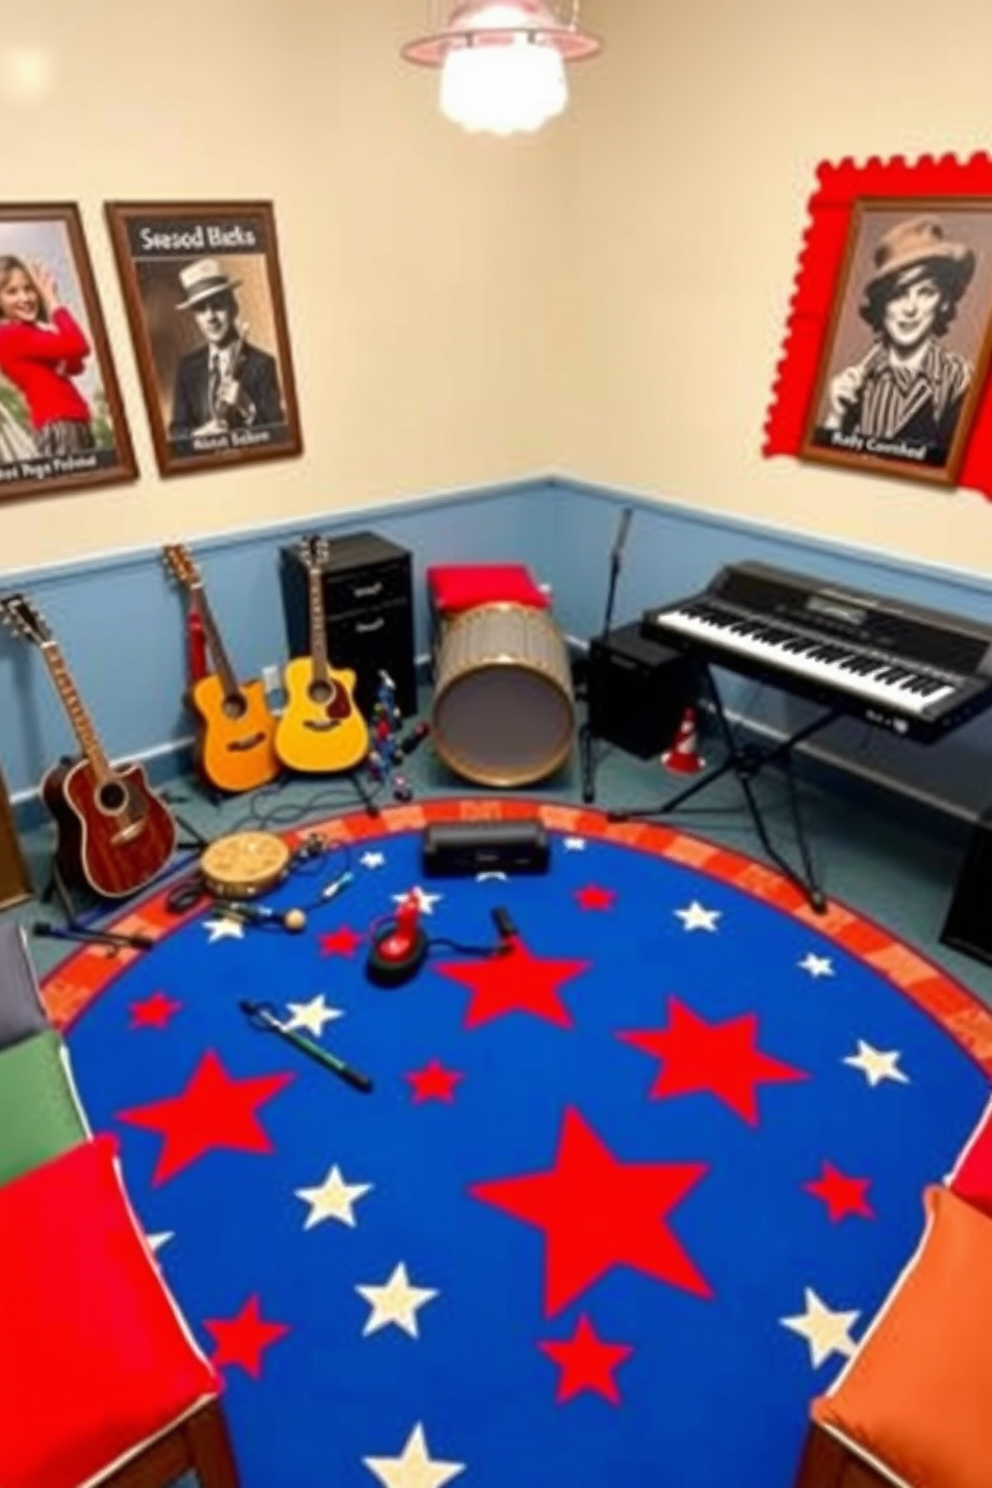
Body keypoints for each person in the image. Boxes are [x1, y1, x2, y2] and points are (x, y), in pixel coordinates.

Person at [817, 216, 977, 465]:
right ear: (883, 303)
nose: (910, 309)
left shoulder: (962, 380)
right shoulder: (854, 383)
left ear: (944, 302)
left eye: (926, 292)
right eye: (899, 293)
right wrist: (836, 417)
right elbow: (823, 472)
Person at [167, 258, 285, 442]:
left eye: (217, 305)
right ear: (195, 318)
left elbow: (279, 435)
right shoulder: (187, 368)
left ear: (234, 308)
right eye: (201, 310)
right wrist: (199, 436)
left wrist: (247, 406)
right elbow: (176, 431)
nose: (210, 317)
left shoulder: (262, 364)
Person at [0, 255, 95, 457]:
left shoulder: (32, 332)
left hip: (73, 422)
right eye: (12, 292)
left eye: (29, 288)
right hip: (59, 425)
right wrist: (52, 300)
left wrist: (63, 349)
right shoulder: (8, 335)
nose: (25, 298)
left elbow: (77, 366)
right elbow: (80, 346)